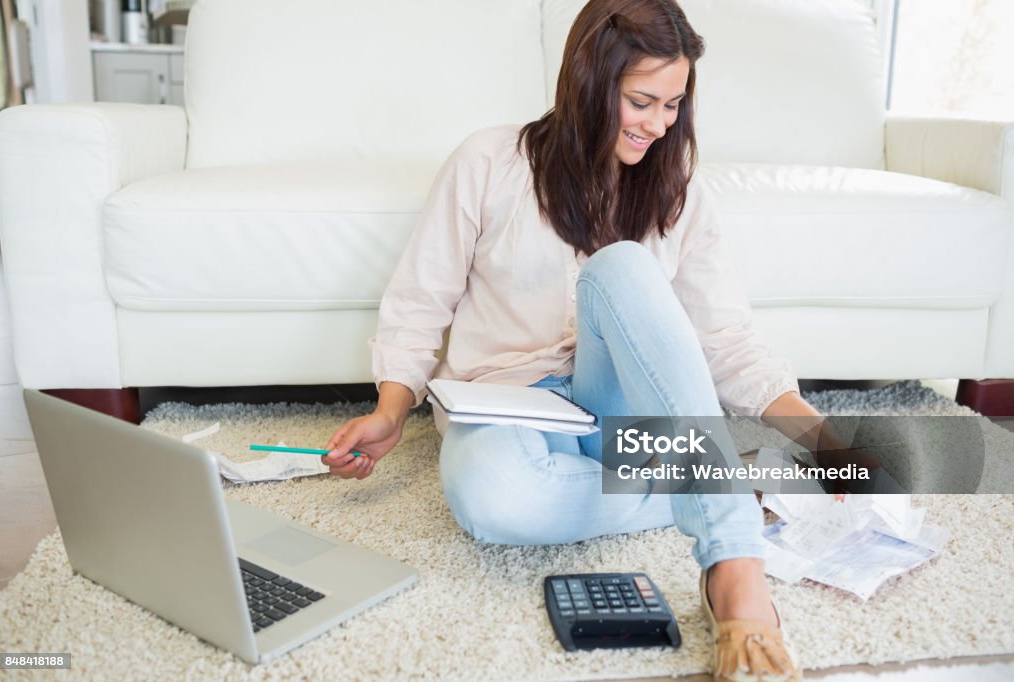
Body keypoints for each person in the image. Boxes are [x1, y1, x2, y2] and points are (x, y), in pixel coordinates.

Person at [323, 1, 826, 679]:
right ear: (590, 81)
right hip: (506, 407)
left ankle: (734, 563)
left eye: (674, 104)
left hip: (619, 413)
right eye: (642, 101)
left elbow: (724, 337)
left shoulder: (680, 194)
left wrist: (822, 441)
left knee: (620, 265)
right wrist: (390, 409)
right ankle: (723, 477)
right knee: (492, 501)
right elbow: (420, 300)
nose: (659, 124)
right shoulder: (487, 161)